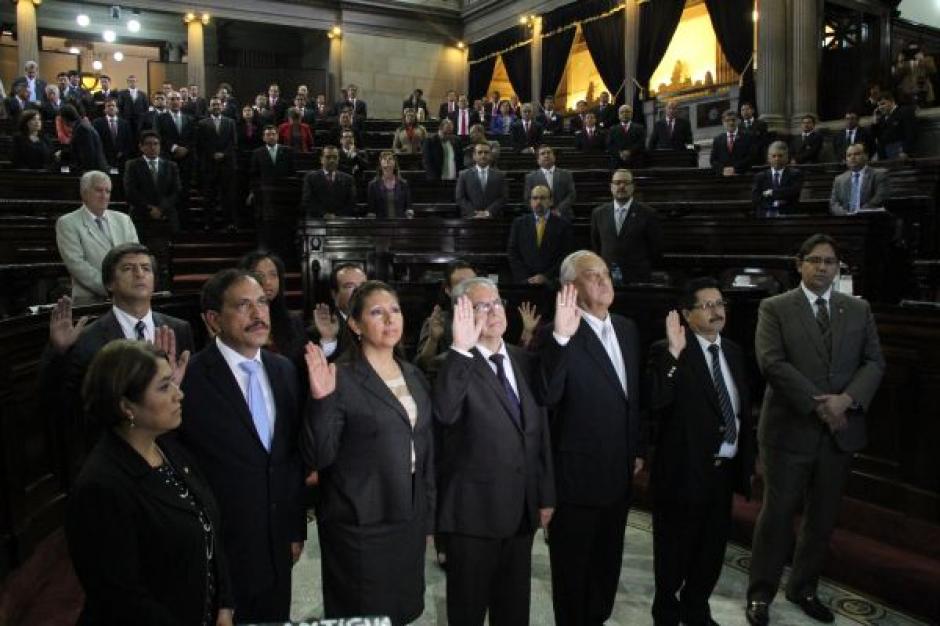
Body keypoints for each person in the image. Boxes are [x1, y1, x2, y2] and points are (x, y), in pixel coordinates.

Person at [746, 234, 885, 626]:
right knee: (777, 515)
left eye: (830, 262)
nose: (823, 268)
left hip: (840, 432)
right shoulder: (774, 307)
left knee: (822, 518)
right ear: (799, 264)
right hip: (789, 431)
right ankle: (760, 594)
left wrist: (846, 401)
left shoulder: (858, 309)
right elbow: (772, 363)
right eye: (816, 261)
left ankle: (804, 587)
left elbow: (874, 362)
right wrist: (821, 405)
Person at [66, 340, 234, 626]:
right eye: (164, 386)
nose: (179, 394)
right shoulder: (101, 486)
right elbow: (122, 598)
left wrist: (224, 605)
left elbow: (208, 529)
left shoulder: (169, 448)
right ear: (126, 406)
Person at [179, 269, 307, 623]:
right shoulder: (190, 377)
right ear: (213, 320)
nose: (258, 314)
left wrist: (294, 528)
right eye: (243, 305)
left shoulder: (283, 370)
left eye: (263, 303)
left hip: (277, 542)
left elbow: (290, 457)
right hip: (220, 548)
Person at [304, 281, 434, 625]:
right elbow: (319, 454)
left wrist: (428, 512)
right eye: (377, 312)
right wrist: (321, 401)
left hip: (407, 514)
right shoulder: (340, 376)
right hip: (359, 520)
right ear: (355, 324)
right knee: (364, 614)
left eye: (395, 310)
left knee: (402, 609)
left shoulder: (415, 375)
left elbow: (427, 450)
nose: (390, 319)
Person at [434, 277, 555, 626]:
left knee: (514, 612)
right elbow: (444, 413)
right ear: (462, 315)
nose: (494, 311)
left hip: (520, 512)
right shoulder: (449, 363)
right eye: (481, 306)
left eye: (497, 302)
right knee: (468, 613)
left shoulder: (523, 359)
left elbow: (538, 432)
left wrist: (545, 495)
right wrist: (460, 349)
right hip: (472, 518)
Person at [540, 251, 644, 626]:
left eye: (605, 273)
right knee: (572, 577)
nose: (603, 280)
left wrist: (636, 449)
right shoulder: (556, 334)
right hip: (575, 481)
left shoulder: (628, 329)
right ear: (570, 288)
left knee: (605, 570)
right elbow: (546, 396)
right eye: (591, 275)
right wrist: (561, 340)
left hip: (618, 478)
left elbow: (631, 398)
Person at [648, 278, 755, 626]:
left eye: (720, 304)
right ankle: (666, 612)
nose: (716, 311)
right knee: (673, 553)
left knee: (710, 552)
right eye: (706, 305)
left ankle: (697, 609)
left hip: (722, 472)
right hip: (681, 473)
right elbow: (657, 400)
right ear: (686, 313)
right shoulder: (668, 349)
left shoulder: (735, 351)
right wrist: (674, 355)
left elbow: (740, 410)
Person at [43, 244, 195, 468]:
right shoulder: (88, 337)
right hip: (116, 454)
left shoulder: (179, 329)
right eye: (128, 268)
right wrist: (60, 352)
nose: (139, 273)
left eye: (146, 268)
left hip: (173, 449)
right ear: (109, 284)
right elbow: (64, 402)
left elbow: (191, 392)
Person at [56, 171, 139, 304]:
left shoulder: (124, 220)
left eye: (108, 191)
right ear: (84, 193)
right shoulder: (67, 223)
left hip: (127, 296)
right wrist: (113, 288)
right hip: (90, 299)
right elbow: (77, 265)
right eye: (99, 190)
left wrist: (128, 286)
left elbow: (136, 256)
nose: (104, 196)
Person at [123, 132, 181, 285]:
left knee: (165, 260)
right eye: (148, 144)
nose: (153, 147)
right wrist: (150, 209)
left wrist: (161, 208)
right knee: (142, 258)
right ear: (141, 147)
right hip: (142, 219)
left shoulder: (170, 165)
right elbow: (130, 191)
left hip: (165, 219)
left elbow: (176, 191)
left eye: (156, 143)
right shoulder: (133, 165)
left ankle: (164, 287)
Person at [589, 169, 662, 284]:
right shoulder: (598, 213)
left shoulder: (648, 213)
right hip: (606, 278)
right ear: (611, 186)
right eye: (617, 182)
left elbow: (655, 248)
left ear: (633, 186)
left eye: (626, 183)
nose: (621, 186)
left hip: (638, 278)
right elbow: (596, 244)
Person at [238, 251, 308, 368]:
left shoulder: (294, 321)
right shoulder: (236, 321)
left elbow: (302, 365)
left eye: (273, 275)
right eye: (260, 275)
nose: (268, 282)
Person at [414, 260, 477, 374]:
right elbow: (421, 366)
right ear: (448, 291)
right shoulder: (437, 321)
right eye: (462, 284)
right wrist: (433, 340)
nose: (469, 289)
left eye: (473, 283)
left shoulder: (490, 316)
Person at [508, 185, 574, 285]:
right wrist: (526, 278)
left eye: (543, 198)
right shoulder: (519, 223)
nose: (538, 202)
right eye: (535, 198)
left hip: (552, 283)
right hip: (525, 282)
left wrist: (546, 276)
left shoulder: (563, 225)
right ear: (530, 201)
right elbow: (513, 252)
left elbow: (565, 255)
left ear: (551, 201)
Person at [250, 126, 297, 260]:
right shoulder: (257, 153)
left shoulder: (287, 151)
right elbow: (254, 175)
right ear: (264, 137)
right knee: (266, 230)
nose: (271, 136)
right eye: (268, 134)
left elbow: (293, 173)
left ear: (277, 136)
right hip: (265, 198)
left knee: (284, 230)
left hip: (284, 198)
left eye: (273, 134)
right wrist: (254, 192)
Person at [309, 263, 368, 362]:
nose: (359, 291)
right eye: (350, 286)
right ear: (335, 295)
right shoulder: (317, 331)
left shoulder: (379, 322)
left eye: (363, 286)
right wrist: (328, 340)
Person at [196, 96, 238, 231]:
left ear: (222, 106)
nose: (216, 107)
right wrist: (212, 154)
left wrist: (223, 154)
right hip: (209, 164)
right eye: (213, 104)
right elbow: (200, 144)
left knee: (228, 196)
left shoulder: (230, 122)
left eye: (218, 104)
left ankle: (229, 223)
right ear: (209, 107)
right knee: (209, 196)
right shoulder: (203, 123)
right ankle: (209, 223)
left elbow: (233, 142)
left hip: (227, 164)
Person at [156, 91, 197, 230]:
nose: (175, 101)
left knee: (185, 192)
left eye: (178, 99)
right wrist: (174, 148)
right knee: (169, 191)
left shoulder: (189, 119)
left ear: (182, 101)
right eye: (172, 99)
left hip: (186, 160)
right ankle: (171, 224)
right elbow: (158, 136)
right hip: (168, 159)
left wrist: (185, 149)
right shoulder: (160, 118)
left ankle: (185, 223)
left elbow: (194, 138)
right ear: (167, 101)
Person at [829, 143, 891, 215]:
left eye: (856, 154)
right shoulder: (839, 180)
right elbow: (834, 203)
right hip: (845, 219)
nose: (852, 157)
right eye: (849, 155)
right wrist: (845, 214)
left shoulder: (879, 175)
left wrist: (859, 212)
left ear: (866, 156)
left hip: (870, 218)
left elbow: (879, 198)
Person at [302, 146, 359, 218]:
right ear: (321, 159)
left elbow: (352, 203)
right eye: (328, 157)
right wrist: (324, 214)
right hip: (317, 220)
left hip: (341, 221)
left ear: (338, 159)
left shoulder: (348, 179)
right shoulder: (310, 177)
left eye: (335, 157)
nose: (332, 160)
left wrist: (336, 215)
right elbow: (308, 201)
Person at [751, 141, 805, 217]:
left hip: (788, 214)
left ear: (786, 157)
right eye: (774, 156)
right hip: (765, 214)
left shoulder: (795, 174)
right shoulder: (760, 176)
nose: (777, 159)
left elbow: (793, 192)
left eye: (780, 156)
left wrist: (771, 193)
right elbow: (756, 198)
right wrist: (776, 200)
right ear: (769, 158)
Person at [523, 145, 577, 219]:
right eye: (542, 153)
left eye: (549, 152)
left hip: (563, 215)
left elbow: (571, 195)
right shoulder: (530, 177)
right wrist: (542, 212)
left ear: (554, 157)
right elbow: (527, 198)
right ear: (538, 160)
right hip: (540, 215)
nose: (546, 155)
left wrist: (559, 210)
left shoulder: (566, 174)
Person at [455, 143, 507, 219]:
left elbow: (503, 197)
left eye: (486, 152)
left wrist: (488, 212)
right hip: (470, 218)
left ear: (491, 156)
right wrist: (474, 213)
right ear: (474, 156)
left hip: (493, 218)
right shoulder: (464, 175)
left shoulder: (500, 175)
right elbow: (460, 198)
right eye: (480, 152)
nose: (483, 155)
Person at [59, 104, 109, 173]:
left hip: (94, 173)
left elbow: (88, 156)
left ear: (65, 118)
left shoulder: (82, 130)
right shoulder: (81, 126)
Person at [92, 98, 134, 171]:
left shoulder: (125, 123)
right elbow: (96, 142)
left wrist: (123, 152)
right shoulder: (97, 123)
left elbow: (129, 142)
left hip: (121, 160)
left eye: (113, 105)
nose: (111, 107)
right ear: (104, 110)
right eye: (108, 106)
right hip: (104, 160)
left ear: (117, 109)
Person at [367, 151, 413, 218]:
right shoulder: (373, 185)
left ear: (395, 163)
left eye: (390, 158)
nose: (387, 160)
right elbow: (371, 211)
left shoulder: (403, 184)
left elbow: (409, 208)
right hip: (381, 225)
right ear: (380, 163)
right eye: (384, 159)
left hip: (401, 224)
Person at [873, 92, 917, 159]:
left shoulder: (904, 111)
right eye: (878, 105)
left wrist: (905, 151)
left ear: (892, 101)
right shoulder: (881, 118)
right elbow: (877, 136)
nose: (880, 107)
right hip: (884, 153)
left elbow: (910, 133)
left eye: (883, 104)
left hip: (899, 151)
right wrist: (875, 122)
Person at [710, 110, 753, 176]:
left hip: (742, 176)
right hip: (723, 178)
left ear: (738, 121)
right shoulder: (718, 140)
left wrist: (735, 169)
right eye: (727, 120)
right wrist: (723, 170)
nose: (731, 123)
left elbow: (750, 158)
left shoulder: (747, 137)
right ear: (723, 123)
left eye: (733, 120)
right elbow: (713, 160)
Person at [607, 104, 647, 168]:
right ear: (619, 116)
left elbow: (641, 143)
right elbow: (610, 145)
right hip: (617, 162)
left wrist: (630, 152)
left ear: (631, 114)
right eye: (622, 112)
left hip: (635, 161)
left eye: (627, 112)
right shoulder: (612, 129)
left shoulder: (640, 128)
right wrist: (619, 153)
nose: (625, 114)